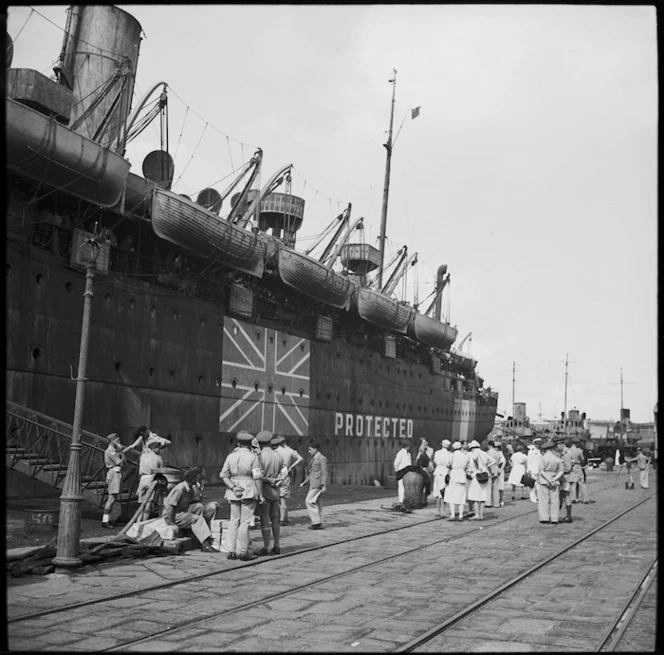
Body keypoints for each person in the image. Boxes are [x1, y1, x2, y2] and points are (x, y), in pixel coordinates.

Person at [219, 430, 265, 560]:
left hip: (233, 491)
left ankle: (231, 551)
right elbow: (257, 477)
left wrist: (232, 486)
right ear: (250, 444)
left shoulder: (230, 456)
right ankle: (243, 552)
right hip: (249, 490)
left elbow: (223, 475)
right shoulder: (253, 457)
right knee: (244, 522)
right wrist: (260, 494)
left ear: (238, 443)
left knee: (233, 521)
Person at [163, 465, 218, 552]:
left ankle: (196, 534)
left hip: (181, 511)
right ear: (195, 477)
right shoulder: (180, 489)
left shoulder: (190, 488)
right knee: (197, 519)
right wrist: (172, 524)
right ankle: (205, 544)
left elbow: (195, 503)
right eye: (201, 476)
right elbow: (170, 508)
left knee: (199, 506)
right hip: (173, 515)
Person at [255, 430, 284, 555]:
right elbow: (285, 473)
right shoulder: (278, 456)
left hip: (265, 491)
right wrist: (277, 481)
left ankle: (266, 546)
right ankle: (277, 545)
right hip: (276, 492)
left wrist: (269, 480)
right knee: (276, 519)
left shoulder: (260, 457)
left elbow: (258, 476)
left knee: (265, 519)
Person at [271, 434, 304, 526]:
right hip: (286, 475)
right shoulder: (290, 451)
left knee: (277, 499)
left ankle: (280, 519)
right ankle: (284, 518)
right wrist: (291, 466)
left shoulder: (276, 451)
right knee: (283, 499)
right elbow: (300, 458)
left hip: (277, 475)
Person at [300, 440, 328, 529]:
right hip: (313, 482)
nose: (309, 451)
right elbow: (312, 472)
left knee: (308, 500)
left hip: (317, 483)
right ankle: (319, 522)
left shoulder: (322, 458)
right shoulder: (314, 458)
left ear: (315, 449)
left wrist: (323, 485)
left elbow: (325, 472)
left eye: (310, 449)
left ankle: (316, 522)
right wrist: (305, 482)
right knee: (318, 503)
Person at [467, 440, 496, 521]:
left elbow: (472, 466)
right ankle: (481, 514)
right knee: (483, 495)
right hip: (485, 475)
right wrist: (485, 467)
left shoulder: (474, 454)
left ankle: (476, 514)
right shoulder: (484, 453)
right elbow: (494, 461)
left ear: (472, 448)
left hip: (477, 475)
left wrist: (470, 471)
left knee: (475, 495)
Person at [102, 433, 126, 528]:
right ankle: (105, 521)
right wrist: (121, 452)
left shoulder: (115, 451)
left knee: (113, 498)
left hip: (117, 474)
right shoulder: (110, 451)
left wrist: (120, 453)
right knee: (111, 498)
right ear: (112, 441)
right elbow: (121, 463)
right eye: (117, 440)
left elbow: (124, 463)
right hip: (114, 474)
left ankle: (108, 519)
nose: (119, 441)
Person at [537, 440, 564, 524]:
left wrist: (548, 479)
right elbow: (561, 471)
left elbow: (541, 471)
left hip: (544, 480)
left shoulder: (542, 458)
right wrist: (555, 478)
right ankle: (554, 518)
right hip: (554, 481)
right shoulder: (557, 459)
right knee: (555, 500)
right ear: (552, 449)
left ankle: (544, 518)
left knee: (543, 500)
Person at [137, 441, 165, 521]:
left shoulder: (142, 456)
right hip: (151, 480)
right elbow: (161, 471)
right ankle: (144, 522)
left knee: (141, 504)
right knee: (148, 504)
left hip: (142, 480)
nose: (160, 450)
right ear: (153, 448)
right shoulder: (158, 458)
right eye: (159, 448)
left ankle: (137, 522)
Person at [445, 441, 470, 521]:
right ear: (460, 447)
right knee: (461, 496)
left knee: (451, 496)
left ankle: (452, 515)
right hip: (462, 475)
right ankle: (461, 515)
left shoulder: (451, 455)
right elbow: (467, 466)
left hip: (453, 475)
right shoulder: (465, 455)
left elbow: (448, 465)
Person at [432, 439, 453, 518]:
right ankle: (443, 510)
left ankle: (438, 510)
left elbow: (435, 461)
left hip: (437, 472)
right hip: (445, 472)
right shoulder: (449, 454)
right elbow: (450, 464)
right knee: (444, 492)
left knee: (437, 492)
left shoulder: (437, 453)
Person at [568, 437, 593, 503]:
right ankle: (585, 499)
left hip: (571, 467)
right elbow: (582, 459)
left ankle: (573, 498)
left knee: (573, 483)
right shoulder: (579, 451)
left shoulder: (568, 450)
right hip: (578, 466)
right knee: (581, 482)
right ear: (577, 443)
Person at [557, 437, 574, 523]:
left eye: (558, 445)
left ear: (562, 444)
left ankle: (568, 516)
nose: (557, 447)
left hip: (565, 478)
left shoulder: (566, 455)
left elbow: (567, 468)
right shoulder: (565, 453)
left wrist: (558, 471)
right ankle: (557, 515)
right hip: (565, 478)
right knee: (561, 496)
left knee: (565, 496)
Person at [486, 441, 504, 508]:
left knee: (488, 486)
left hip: (490, 468)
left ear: (489, 445)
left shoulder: (488, 452)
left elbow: (487, 461)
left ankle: (488, 502)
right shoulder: (497, 453)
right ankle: (496, 503)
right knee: (495, 487)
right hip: (496, 468)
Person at [393, 440, 412, 505]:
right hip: (402, 471)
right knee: (401, 486)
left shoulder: (409, 454)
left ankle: (406, 499)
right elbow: (396, 463)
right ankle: (401, 500)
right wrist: (397, 470)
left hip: (408, 471)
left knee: (407, 487)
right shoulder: (400, 453)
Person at [527, 438, 543, 504]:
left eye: (539, 444)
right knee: (532, 484)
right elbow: (529, 461)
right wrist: (529, 470)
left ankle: (539, 497)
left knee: (540, 485)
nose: (538, 445)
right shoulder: (531, 451)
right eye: (537, 444)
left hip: (541, 470)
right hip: (533, 469)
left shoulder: (542, 451)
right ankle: (532, 497)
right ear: (534, 444)